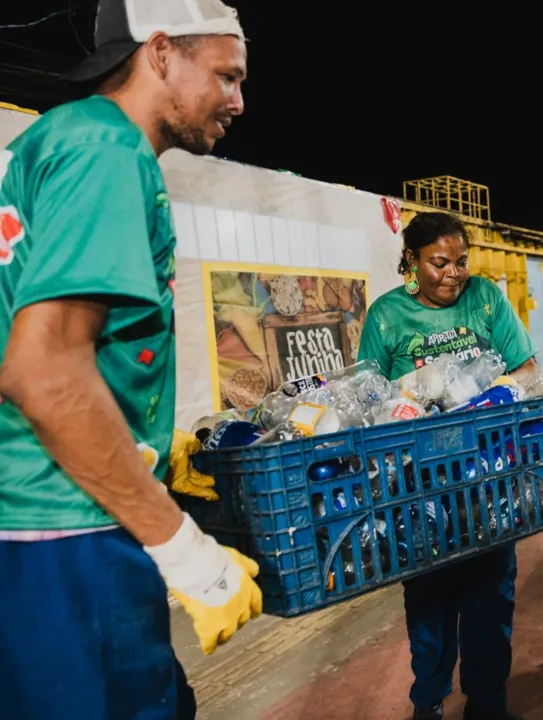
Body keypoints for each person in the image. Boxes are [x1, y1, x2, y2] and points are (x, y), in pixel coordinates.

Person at [0, 2, 261, 718]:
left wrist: (147, 448)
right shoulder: (106, 151)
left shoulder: (66, 138)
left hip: (48, 526)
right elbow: (44, 371)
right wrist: (184, 548)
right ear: (161, 53)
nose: (238, 100)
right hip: (66, 530)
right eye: (226, 76)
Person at [357, 211, 537, 720]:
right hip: (418, 493)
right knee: (430, 610)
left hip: (490, 481)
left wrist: (503, 390)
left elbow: (525, 367)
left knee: (490, 601)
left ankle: (488, 706)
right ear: (411, 261)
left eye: (461, 261)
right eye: (439, 263)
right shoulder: (386, 316)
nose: (454, 273)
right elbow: (366, 403)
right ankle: (429, 705)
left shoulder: (485, 298)